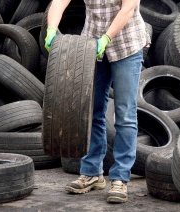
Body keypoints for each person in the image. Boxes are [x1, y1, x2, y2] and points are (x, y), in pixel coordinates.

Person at [44, 0, 150, 204]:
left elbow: (128, 9)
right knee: (91, 110)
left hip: (126, 45)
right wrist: (51, 29)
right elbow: (59, 2)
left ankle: (120, 178)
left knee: (125, 114)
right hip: (91, 46)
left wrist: (107, 38)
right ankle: (92, 173)